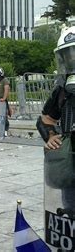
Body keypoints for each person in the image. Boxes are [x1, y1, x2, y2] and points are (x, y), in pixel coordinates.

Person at [37, 26, 75, 213]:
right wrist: (51, 136)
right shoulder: (62, 89)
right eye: (69, 54)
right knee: (70, 208)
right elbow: (45, 119)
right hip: (70, 162)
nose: (73, 59)